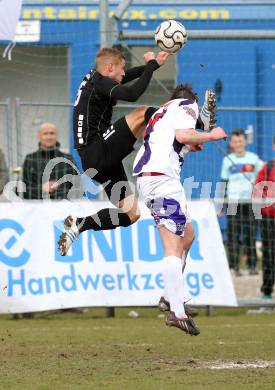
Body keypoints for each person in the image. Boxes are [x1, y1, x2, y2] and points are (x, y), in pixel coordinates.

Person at [58, 47, 216, 256]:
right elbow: (132, 94)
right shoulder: (101, 81)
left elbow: (128, 77)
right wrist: (150, 67)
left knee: (131, 214)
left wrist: (154, 65)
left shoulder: (99, 78)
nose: (124, 74)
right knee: (143, 113)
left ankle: (79, 225)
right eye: (122, 69)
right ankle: (197, 123)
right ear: (109, 67)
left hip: (100, 161)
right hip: (97, 150)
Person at [133, 84, 227, 335]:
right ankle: (177, 311)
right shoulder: (187, 105)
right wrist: (211, 134)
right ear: (192, 102)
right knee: (173, 246)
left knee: (188, 236)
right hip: (161, 180)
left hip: (156, 178)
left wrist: (193, 143)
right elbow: (185, 136)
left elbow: (179, 141)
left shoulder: (162, 111)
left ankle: (168, 297)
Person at [221, 129, 263, 276]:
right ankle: (234, 267)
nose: (238, 144)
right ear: (231, 143)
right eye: (235, 141)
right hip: (232, 202)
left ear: (245, 142)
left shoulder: (254, 158)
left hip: (251, 202)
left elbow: (263, 175)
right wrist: (221, 204)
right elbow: (223, 183)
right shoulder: (227, 160)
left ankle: (252, 266)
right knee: (233, 235)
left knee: (250, 234)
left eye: (241, 141)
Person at [23, 122, 77, 200]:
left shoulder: (68, 159)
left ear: (56, 136)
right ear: (39, 136)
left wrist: (59, 188)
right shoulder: (30, 159)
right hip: (37, 208)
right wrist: (41, 189)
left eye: (52, 133)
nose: (49, 137)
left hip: (63, 208)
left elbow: (78, 187)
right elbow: (20, 190)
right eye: (45, 133)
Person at [254, 136, 275, 299]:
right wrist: (267, 204)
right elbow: (257, 190)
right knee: (269, 255)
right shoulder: (267, 168)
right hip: (270, 220)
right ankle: (267, 292)